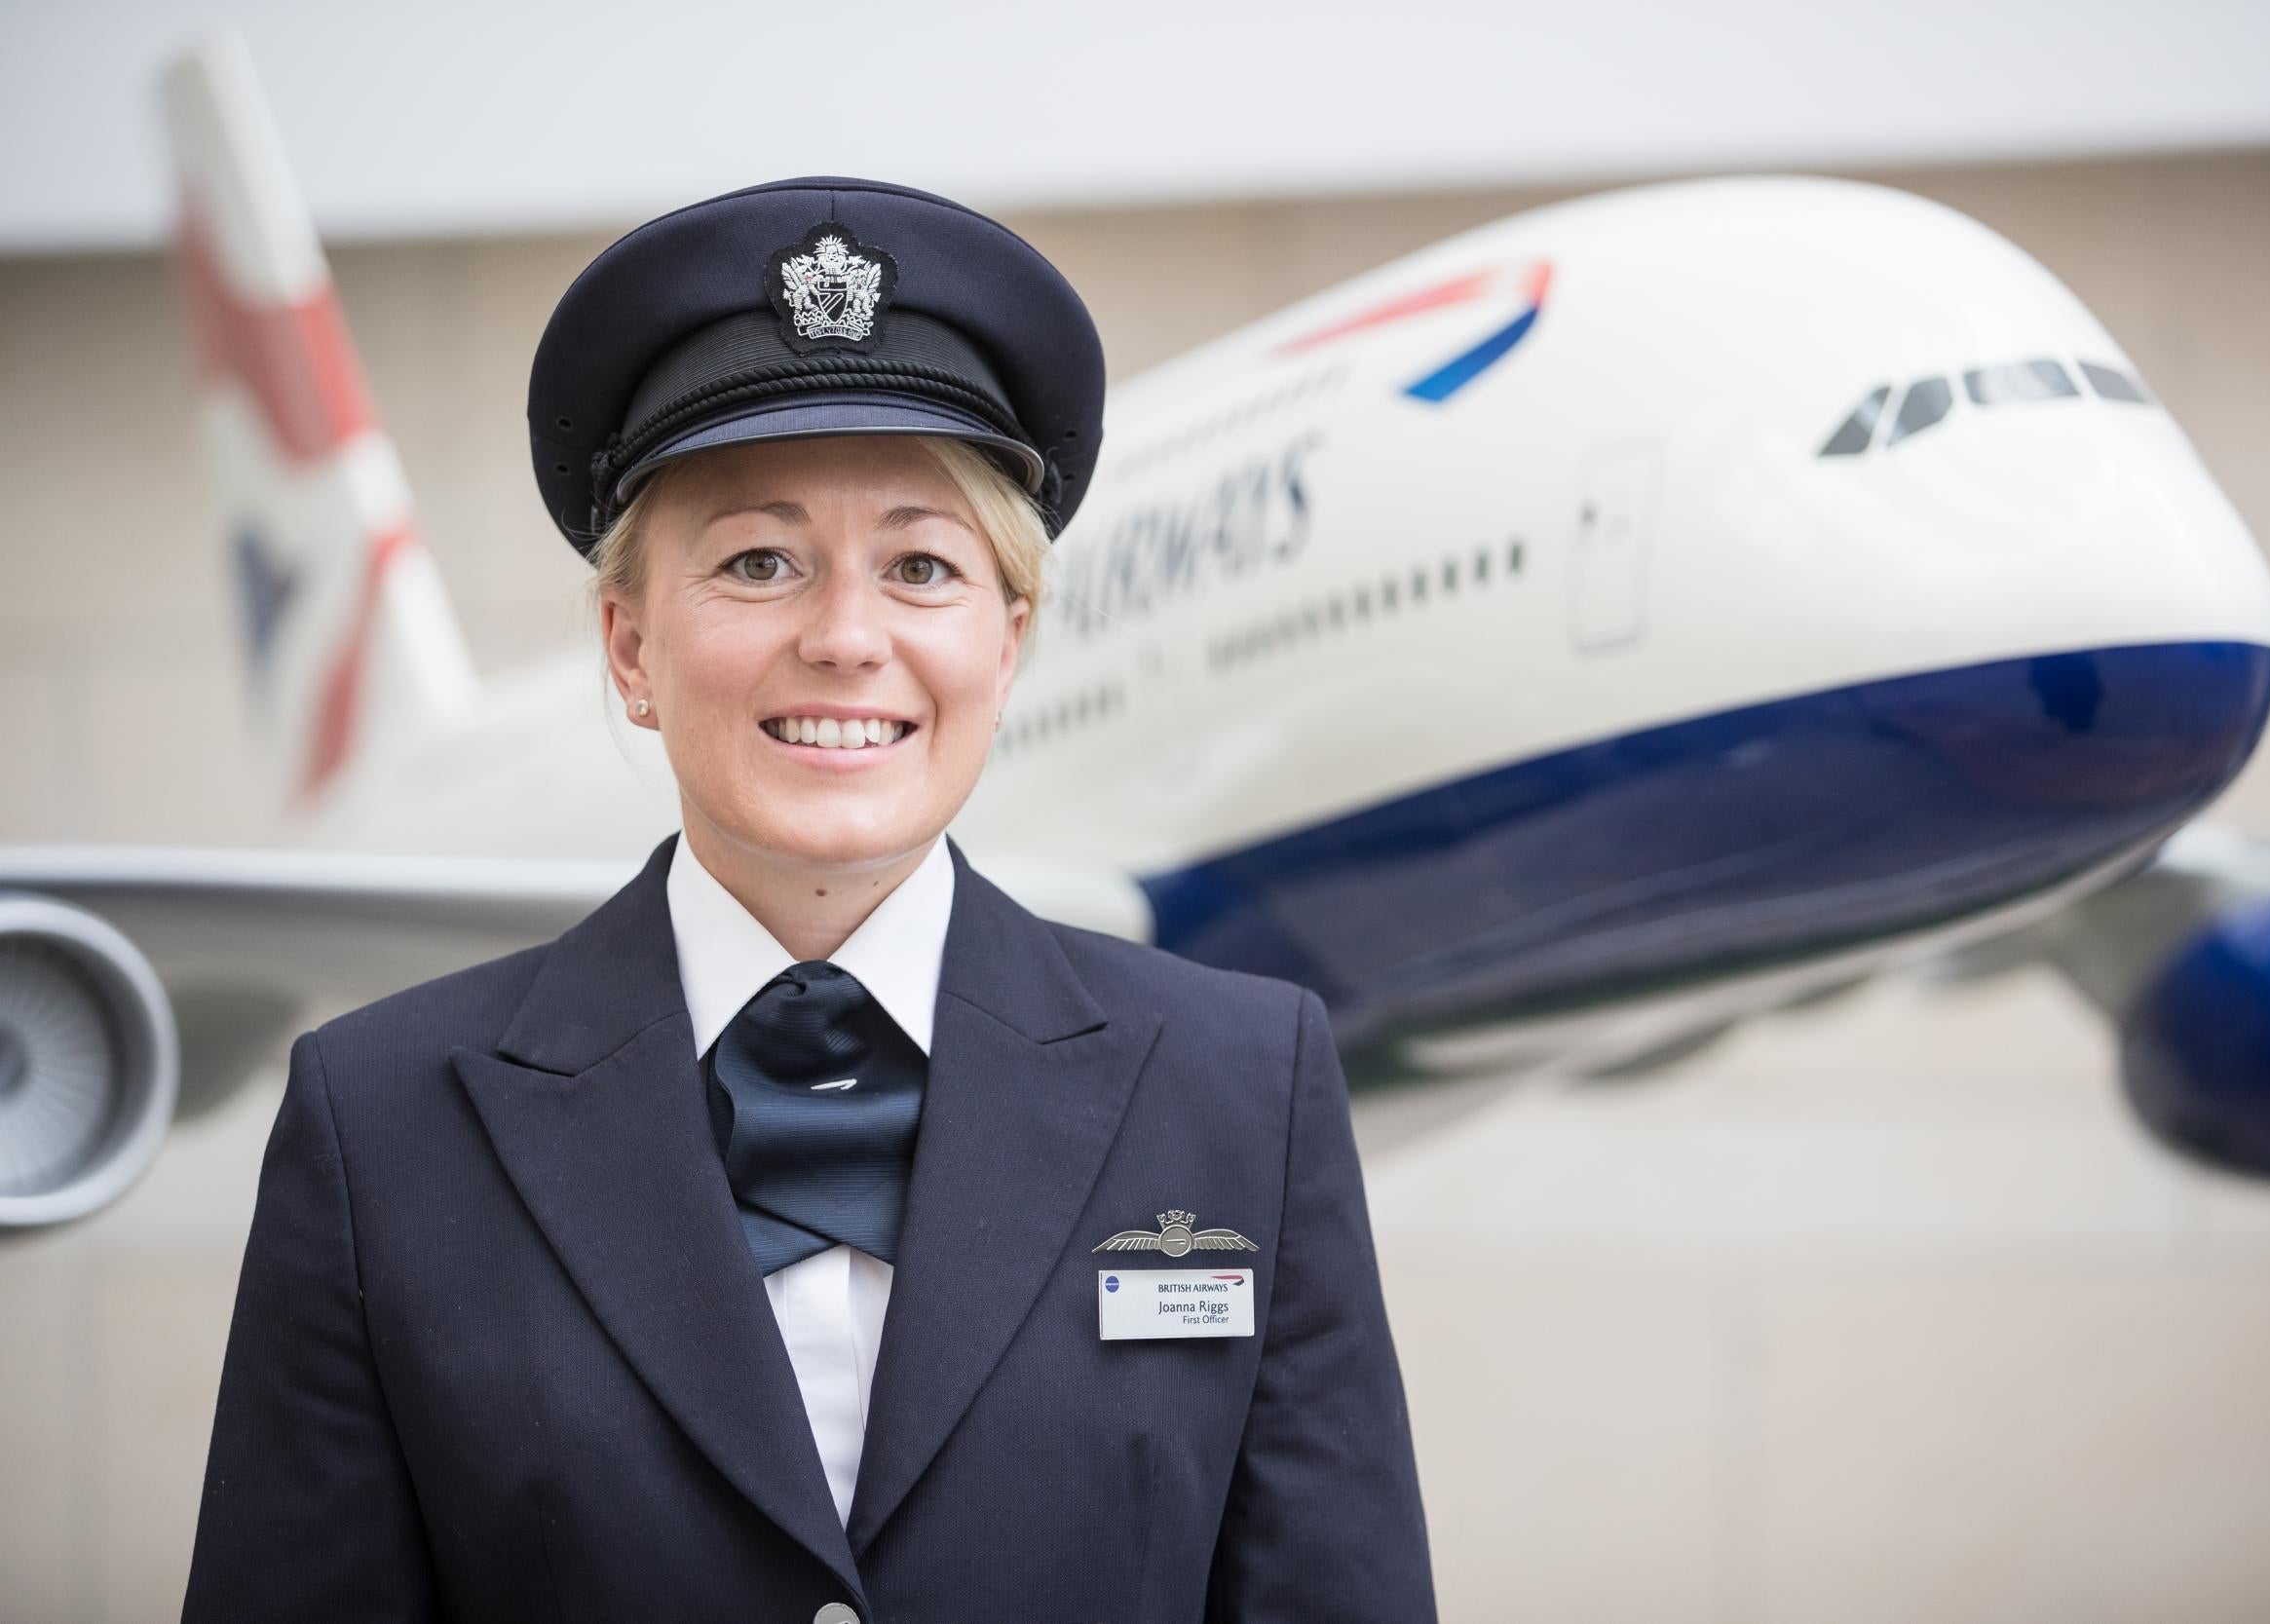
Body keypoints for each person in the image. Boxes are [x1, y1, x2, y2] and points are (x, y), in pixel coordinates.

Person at [180, 176, 1436, 1624]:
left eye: (920, 566)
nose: (847, 638)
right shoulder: (381, 1130)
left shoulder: (1244, 1095)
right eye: (760, 562)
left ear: (1007, 643)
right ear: (632, 647)